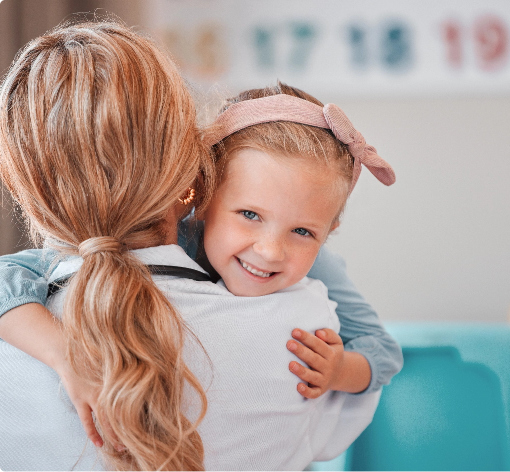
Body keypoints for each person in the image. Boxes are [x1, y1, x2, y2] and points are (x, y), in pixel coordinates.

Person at [0, 21, 402, 471]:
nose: (269, 251)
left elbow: (380, 349)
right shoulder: (304, 320)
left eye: (304, 232)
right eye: (249, 214)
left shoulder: (313, 296)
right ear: (202, 186)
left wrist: (342, 369)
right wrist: (65, 355)